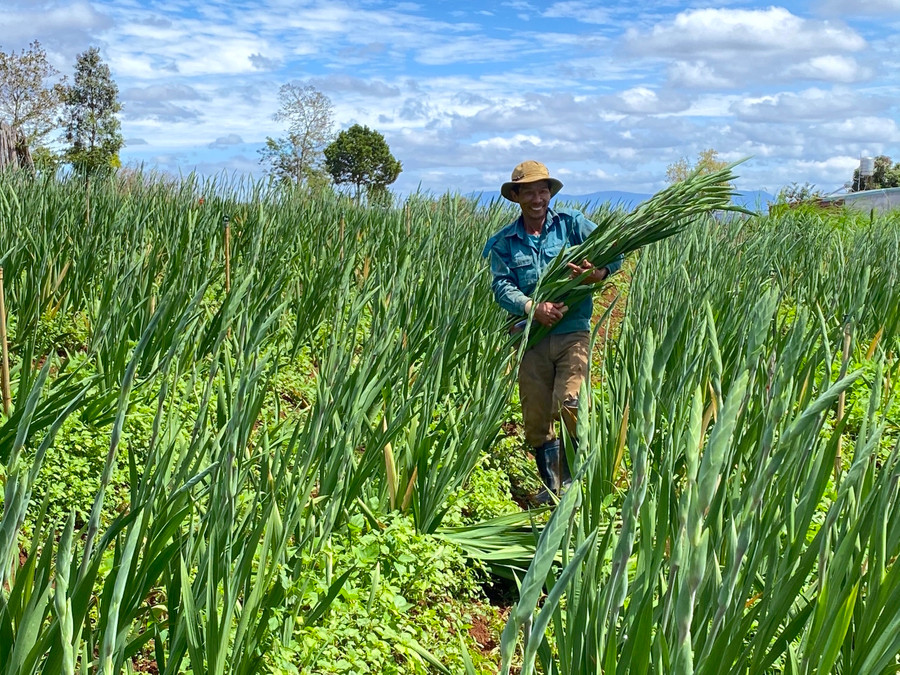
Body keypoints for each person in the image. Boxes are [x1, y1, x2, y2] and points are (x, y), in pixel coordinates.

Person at [482, 160, 622, 503]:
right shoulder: (504, 242)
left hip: (573, 331)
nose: (537, 199)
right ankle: (552, 487)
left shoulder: (572, 224)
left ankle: (574, 481)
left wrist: (598, 273)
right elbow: (502, 287)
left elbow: (613, 252)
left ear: (550, 193)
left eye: (542, 191)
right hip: (529, 337)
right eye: (528, 192)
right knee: (536, 418)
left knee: (571, 402)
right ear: (516, 197)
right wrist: (533, 307)